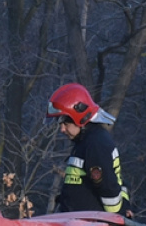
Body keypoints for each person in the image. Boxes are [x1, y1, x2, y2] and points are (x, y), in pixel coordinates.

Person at [46, 83, 131, 216]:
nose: (62, 129)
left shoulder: (95, 144)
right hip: (79, 224)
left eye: (66, 124)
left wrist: (118, 218)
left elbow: (107, 188)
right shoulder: (85, 141)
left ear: (81, 118)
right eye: (60, 124)